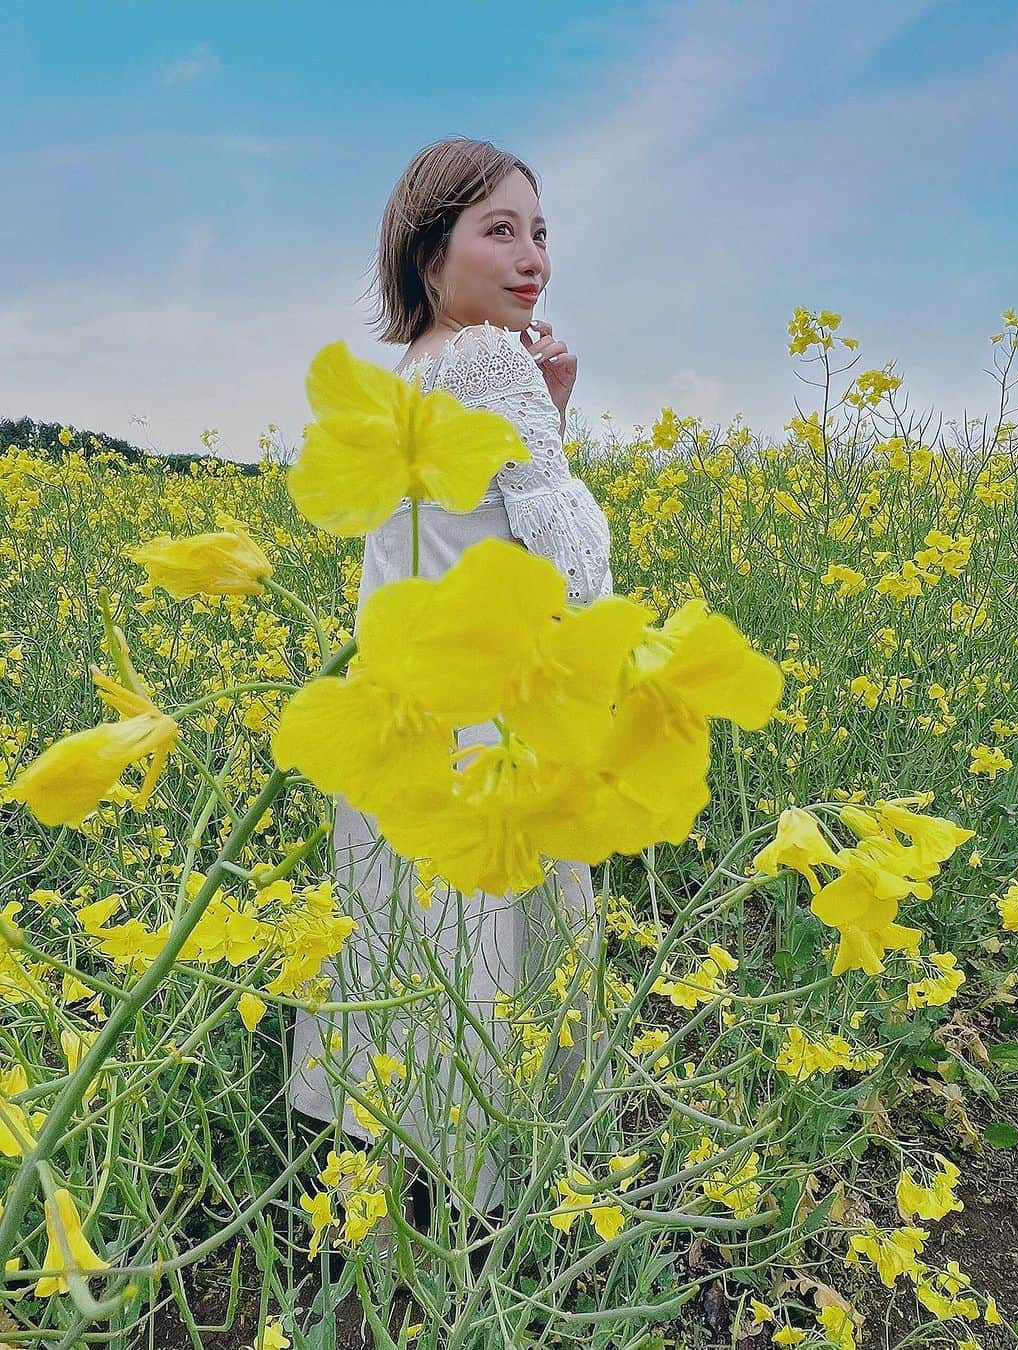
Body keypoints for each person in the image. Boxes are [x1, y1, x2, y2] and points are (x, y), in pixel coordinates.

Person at [288, 138, 616, 1260]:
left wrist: (545, 411)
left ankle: (383, 1202)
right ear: (429, 254)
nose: (533, 258)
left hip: (393, 719)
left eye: (541, 233)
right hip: (484, 727)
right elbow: (569, 569)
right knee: (488, 965)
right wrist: (554, 418)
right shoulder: (490, 362)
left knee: (400, 958)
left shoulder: (406, 379)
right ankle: (485, 1229)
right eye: (500, 230)